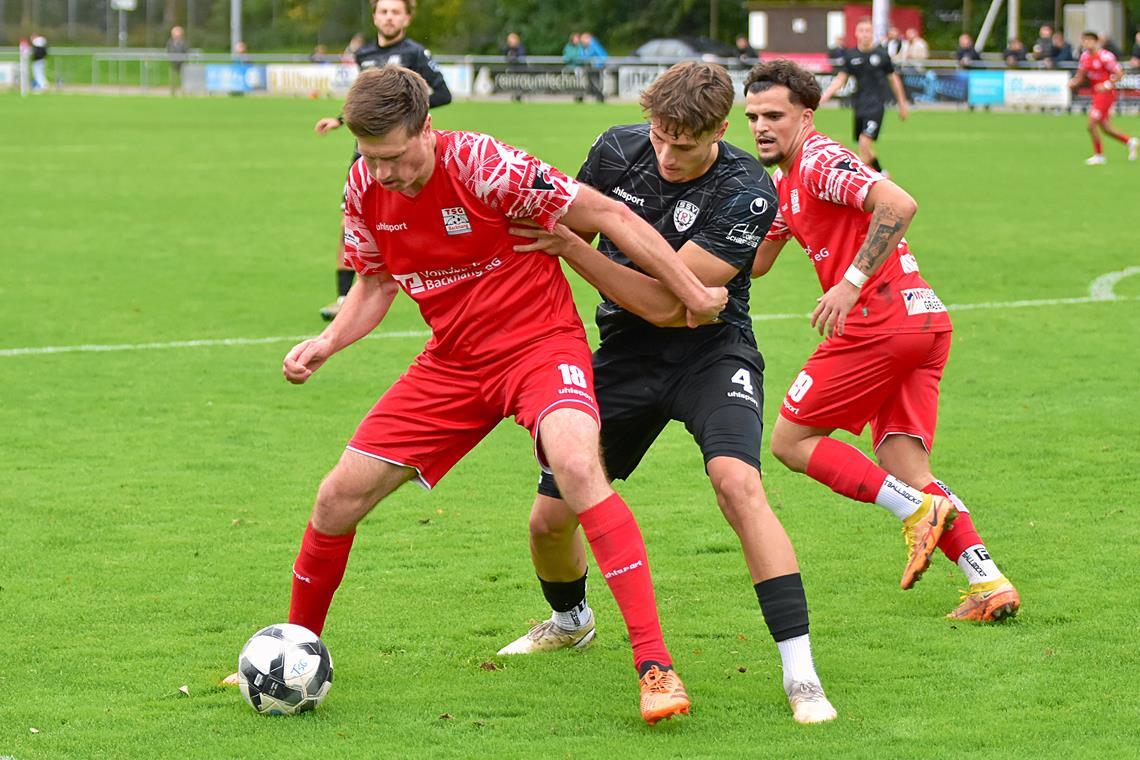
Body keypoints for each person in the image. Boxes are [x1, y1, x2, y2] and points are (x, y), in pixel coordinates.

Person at [223, 66, 732, 724]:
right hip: (453, 364)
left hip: (539, 347)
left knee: (578, 467)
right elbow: (373, 285)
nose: (383, 174)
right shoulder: (363, 185)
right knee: (336, 498)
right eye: (370, 159)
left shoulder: (486, 165)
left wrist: (690, 293)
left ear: (427, 128)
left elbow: (603, 211)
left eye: (395, 157)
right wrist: (329, 344)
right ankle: (294, 650)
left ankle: (655, 667)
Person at [497, 61, 837, 726]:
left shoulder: (748, 189)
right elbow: (557, 226)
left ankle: (803, 677)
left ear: (717, 130)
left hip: (712, 352)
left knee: (738, 485)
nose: (667, 154)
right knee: (548, 521)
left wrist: (572, 247)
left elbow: (666, 303)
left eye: (685, 144)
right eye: (659, 137)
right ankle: (572, 620)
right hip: (622, 358)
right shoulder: (616, 148)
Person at [744, 59, 1021, 624]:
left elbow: (898, 204)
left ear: (806, 115)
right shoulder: (785, 180)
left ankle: (915, 511)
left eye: (774, 114)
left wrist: (849, 283)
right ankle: (987, 581)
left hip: (880, 322)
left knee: (791, 442)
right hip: (922, 323)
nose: (761, 126)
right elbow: (754, 263)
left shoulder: (820, 160)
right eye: (751, 116)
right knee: (905, 463)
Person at [314, 0, 453, 322]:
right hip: (364, 152)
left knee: (430, 214)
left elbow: (443, 94)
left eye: (395, 12)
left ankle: (442, 283)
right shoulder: (364, 55)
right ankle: (344, 296)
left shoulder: (416, 54)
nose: (389, 17)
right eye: (383, 11)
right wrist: (339, 120)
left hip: (407, 150)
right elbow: (367, 104)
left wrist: (403, 115)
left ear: (406, 17)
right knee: (349, 219)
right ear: (375, 17)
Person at [818, 18, 908, 175]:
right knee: (865, 148)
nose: (865, 34)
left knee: (864, 144)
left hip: (876, 107)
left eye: (868, 31)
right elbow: (840, 79)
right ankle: (881, 174)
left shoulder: (881, 55)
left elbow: (894, 79)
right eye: (862, 31)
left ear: (873, 33)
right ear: (856, 33)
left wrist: (902, 104)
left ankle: (859, 180)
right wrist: (824, 96)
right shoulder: (851, 56)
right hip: (859, 106)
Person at [1069, 31, 1138, 164]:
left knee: (1091, 124)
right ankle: (1130, 142)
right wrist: (1074, 82)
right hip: (1096, 93)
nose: (1087, 43)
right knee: (1105, 128)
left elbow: (1120, 73)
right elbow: (1081, 74)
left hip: (1106, 94)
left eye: (1090, 40)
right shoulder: (1084, 56)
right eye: (1085, 41)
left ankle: (1099, 155)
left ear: (1096, 42)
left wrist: (1106, 84)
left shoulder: (1106, 57)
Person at [580, 31, 608, 103]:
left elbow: (603, 56)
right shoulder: (585, 47)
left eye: (583, 40)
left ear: (588, 39)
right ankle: (597, 95)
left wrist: (597, 63)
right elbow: (583, 56)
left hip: (597, 67)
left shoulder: (594, 45)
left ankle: (600, 96)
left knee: (596, 82)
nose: (582, 42)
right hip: (591, 68)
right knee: (592, 82)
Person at [166, 26, 189, 94]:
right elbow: (168, 51)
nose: (176, 36)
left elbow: (186, 51)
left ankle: (184, 91)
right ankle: (173, 91)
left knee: (184, 78)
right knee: (173, 78)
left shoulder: (184, 43)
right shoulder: (170, 43)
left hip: (182, 63)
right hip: (173, 63)